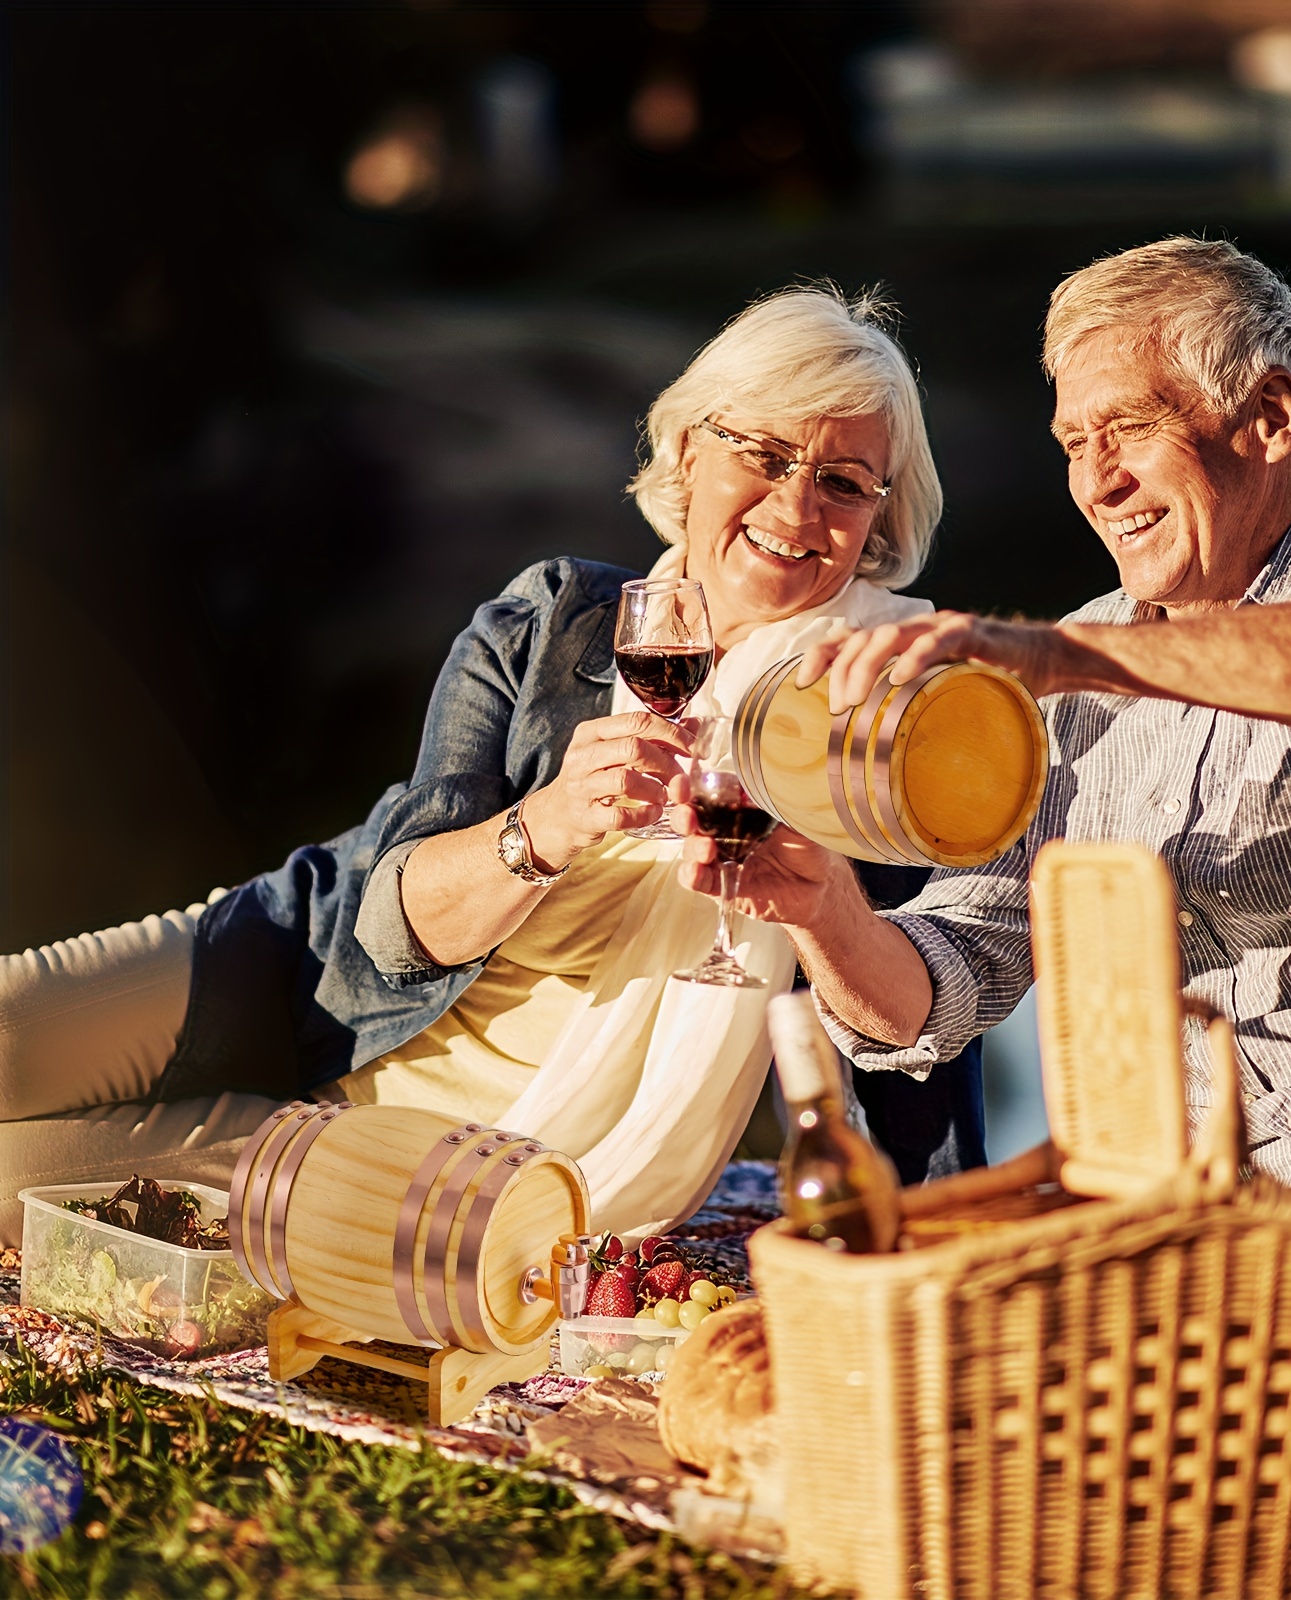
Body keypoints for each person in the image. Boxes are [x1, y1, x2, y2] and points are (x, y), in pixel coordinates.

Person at [679, 236, 1291, 1298]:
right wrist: (825, 910)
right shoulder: (1067, 667)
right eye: (1074, 442)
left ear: (1268, 420)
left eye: (1130, 428)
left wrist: (1068, 659)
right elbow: (944, 988)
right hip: (1226, 1208)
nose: (1097, 479)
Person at [0, 285, 983, 1247]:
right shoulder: (555, 619)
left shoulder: (876, 715)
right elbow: (384, 934)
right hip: (303, 966)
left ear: (875, 526)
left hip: (451, 1151)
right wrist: (546, 826)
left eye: (844, 482)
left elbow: (916, 1028)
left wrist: (937, 1229)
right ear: (688, 452)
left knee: (12, 1180)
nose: (796, 503)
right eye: (762, 454)